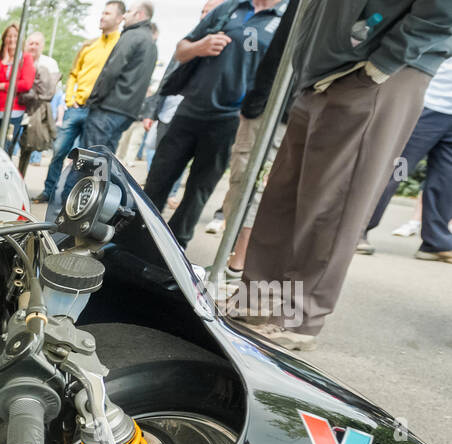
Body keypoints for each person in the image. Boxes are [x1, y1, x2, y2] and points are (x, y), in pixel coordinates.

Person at [238, 0, 452, 350]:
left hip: (377, 67)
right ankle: (258, 299)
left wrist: (382, 64)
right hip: (323, 67)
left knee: (335, 202)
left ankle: (300, 317)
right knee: (283, 195)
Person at [143, 0, 287, 251]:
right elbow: (181, 49)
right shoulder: (230, 7)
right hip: (189, 110)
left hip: (232, 119)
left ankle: (174, 252)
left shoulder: (286, 17)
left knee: (198, 191)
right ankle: (137, 239)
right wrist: (201, 46)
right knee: (157, 180)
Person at [211, 0, 299, 277]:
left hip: (293, 108)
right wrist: (254, 100)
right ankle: (232, 256)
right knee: (240, 179)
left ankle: (239, 263)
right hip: (262, 103)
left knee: (260, 185)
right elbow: (277, 52)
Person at [358, 58, 452, 264]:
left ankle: (436, 243)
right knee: (396, 172)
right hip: (427, 108)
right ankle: (357, 230)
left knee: (446, 181)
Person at [38, 1, 126, 203]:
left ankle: (71, 197)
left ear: (120, 18)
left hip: (98, 111)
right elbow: (74, 74)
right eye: (102, 12)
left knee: (85, 158)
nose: (102, 16)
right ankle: (49, 192)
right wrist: (70, 99)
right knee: (59, 151)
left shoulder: (121, 46)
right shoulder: (89, 46)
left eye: (107, 13)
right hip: (76, 108)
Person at [78, 2, 158, 172]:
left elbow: (111, 71)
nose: (125, 16)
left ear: (140, 15)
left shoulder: (131, 36)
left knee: (89, 160)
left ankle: (75, 197)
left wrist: (94, 99)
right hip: (126, 112)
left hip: (108, 108)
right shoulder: (151, 43)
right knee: (103, 162)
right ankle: (97, 197)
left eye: (129, 12)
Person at [0, 23, 36, 153]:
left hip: (13, 112)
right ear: (4, 39)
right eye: (9, 36)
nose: (12, 39)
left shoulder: (25, 59)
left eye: (15, 36)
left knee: (4, 150)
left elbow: (26, 83)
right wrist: (4, 62)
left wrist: (2, 85)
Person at [18, 34, 60, 172]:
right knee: (9, 147)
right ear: (26, 45)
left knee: (27, 148)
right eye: (31, 43)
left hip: (36, 112)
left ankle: (20, 179)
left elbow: (49, 92)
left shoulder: (49, 63)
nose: (33, 46)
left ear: (42, 46)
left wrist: (26, 92)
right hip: (17, 109)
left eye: (37, 44)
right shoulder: (19, 60)